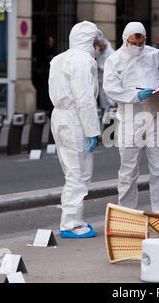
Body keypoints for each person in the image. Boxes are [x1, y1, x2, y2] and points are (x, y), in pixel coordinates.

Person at [103, 22, 159, 212]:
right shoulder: (115, 60)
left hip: (155, 116)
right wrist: (135, 96)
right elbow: (111, 89)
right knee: (128, 170)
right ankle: (127, 213)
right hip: (130, 117)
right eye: (134, 43)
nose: (138, 47)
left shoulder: (154, 55)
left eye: (141, 43)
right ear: (125, 40)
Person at [48, 21, 103, 238]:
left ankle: (73, 219)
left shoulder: (58, 59)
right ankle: (71, 224)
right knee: (78, 174)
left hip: (59, 116)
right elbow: (84, 99)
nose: (98, 47)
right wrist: (93, 131)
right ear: (90, 41)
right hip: (75, 119)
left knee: (71, 170)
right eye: (96, 42)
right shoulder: (84, 61)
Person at [96, 38, 116, 119]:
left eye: (101, 46)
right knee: (102, 99)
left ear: (104, 45)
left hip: (108, 80)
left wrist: (100, 67)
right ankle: (105, 115)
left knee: (109, 99)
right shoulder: (99, 52)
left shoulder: (111, 53)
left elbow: (112, 67)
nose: (100, 48)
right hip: (100, 79)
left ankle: (111, 115)